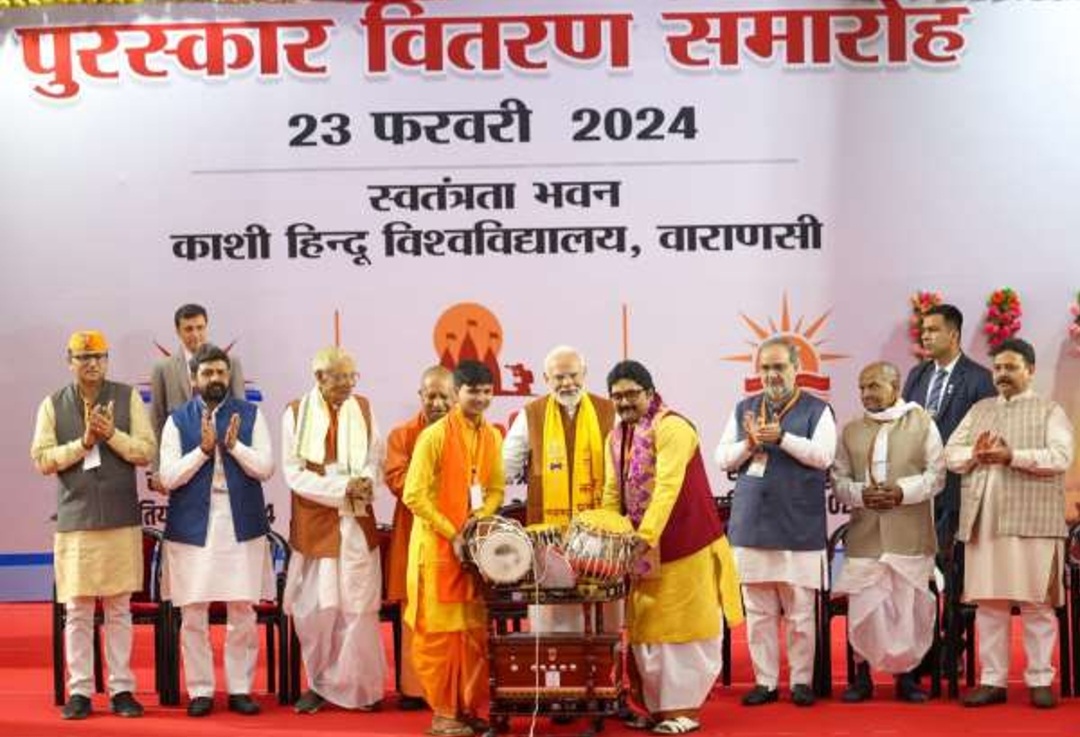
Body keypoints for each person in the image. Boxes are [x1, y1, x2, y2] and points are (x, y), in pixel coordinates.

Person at [602, 360, 739, 734]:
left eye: (632, 394)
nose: (625, 402)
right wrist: (606, 533)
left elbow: (667, 487)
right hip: (643, 552)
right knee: (648, 630)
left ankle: (683, 712)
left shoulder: (673, 428)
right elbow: (612, 492)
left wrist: (644, 537)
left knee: (683, 630)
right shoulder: (616, 437)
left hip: (686, 545)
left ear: (649, 392)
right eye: (617, 396)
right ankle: (658, 709)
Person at [31, 330, 155, 720]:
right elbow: (42, 459)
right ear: (69, 361)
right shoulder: (53, 404)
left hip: (120, 518)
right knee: (79, 610)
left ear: (107, 360)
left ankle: (121, 690)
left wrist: (111, 435)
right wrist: (83, 443)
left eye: (99, 356)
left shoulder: (127, 397)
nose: (92, 364)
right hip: (77, 522)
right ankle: (81, 691)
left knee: (119, 609)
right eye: (84, 357)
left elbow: (146, 451)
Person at [945, 338, 1074, 709]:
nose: (1002, 374)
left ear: (1030, 370)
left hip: (1033, 521)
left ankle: (1040, 679)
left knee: (1036, 604)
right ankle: (992, 680)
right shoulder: (980, 409)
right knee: (990, 605)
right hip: (984, 523)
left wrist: (1011, 456)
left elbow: (1061, 457)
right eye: (998, 368)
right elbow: (950, 454)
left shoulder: (1049, 411)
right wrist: (975, 454)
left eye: (1011, 367)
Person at [715, 336, 835, 707]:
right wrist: (749, 445)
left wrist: (783, 437)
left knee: (800, 611)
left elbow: (823, 456)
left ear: (796, 369)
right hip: (752, 524)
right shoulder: (744, 408)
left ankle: (800, 682)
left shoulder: (817, 410)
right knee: (758, 611)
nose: (772, 374)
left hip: (797, 525)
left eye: (779, 367)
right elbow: (722, 458)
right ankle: (765, 682)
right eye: (765, 368)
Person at [158, 344, 274, 717]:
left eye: (221, 372)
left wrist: (235, 446)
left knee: (243, 610)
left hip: (241, 524)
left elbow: (266, 468)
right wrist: (202, 452)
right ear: (193, 379)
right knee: (193, 612)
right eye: (207, 373)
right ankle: (201, 690)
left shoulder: (251, 415)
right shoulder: (177, 421)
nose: (215, 379)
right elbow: (168, 477)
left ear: (229, 375)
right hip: (193, 527)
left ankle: (240, 689)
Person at [403, 360, 505, 737]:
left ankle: (466, 709)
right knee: (442, 638)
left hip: (472, 550)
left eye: (486, 392)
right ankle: (444, 714)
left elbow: (496, 489)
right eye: (472, 391)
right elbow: (414, 495)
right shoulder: (434, 436)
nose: (480, 398)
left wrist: (477, 521)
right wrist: (453, 532)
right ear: (457, 393)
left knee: (472, 636)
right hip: (436, 550)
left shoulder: (492, 436)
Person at [832, 361, 945, 702]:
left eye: (874, 386)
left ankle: (906, 677)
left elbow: (937, 475)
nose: (866, 393)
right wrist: (860, 494)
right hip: (865, 535)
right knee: (865, 605)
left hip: (909, 533)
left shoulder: (922, 422)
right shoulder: (851, 430)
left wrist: (902, 492)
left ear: (895, 388)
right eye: (862, 387)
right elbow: (838, 480)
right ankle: (862, 677)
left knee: (907, 606)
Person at [282, 347, 386, 714]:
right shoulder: (296, 413)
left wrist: (365, 481)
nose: (347, 384)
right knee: (316, 611)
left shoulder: (364, 408)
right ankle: (319, 684)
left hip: (356, 523)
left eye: (351, 376)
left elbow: (375, 458)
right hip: (317, 524)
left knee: (359, 608)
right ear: (319, 377)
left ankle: (359, 687)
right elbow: (293, 473)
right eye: (340, 377)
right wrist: (341, 489)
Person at [899, 304, 995, 694]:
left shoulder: (979, 378)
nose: (925, 336)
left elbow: (986, 436)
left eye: (933, 330)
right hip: (920, 492)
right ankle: (924, 648)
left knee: (956, 576)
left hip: (960, 491)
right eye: (923, 330)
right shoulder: (917, 375)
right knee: (921, 575)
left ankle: (953, 647)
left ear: (953, 334)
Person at [502, 345, 616, 632]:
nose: (567, 383)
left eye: (573, 375)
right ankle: (557, 656)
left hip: (600, 532)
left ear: (584, 373)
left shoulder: (608, 411)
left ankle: (604, 655)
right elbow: (506, 467)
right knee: (554, 615)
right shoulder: (531, 415)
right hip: (548, 531)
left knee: (605, 611)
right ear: (546, 379)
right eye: (559, 377)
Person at [385, 365, 456, 711]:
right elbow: (397, 480)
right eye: (431, 396)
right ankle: (415, 690)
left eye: (444, 396)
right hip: (413, 534)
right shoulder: (401, 436)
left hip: (453, 536)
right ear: (420, 396)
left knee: (452, 610)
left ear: (455, 397)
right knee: (414, 612)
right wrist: (443, 486)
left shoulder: (466, 433)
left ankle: (451, 686)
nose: (438, 403)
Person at [150, 304, 246, 482]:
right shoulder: (163, 368)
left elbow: (242, 413)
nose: (195, 334)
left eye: (200, 328)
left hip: (225, 460)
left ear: (206, 327)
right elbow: (157, 421)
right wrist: (156, 469)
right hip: (181, 464)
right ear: (178, 331)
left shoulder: (231, 362)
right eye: (188, 329)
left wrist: (242, 457)